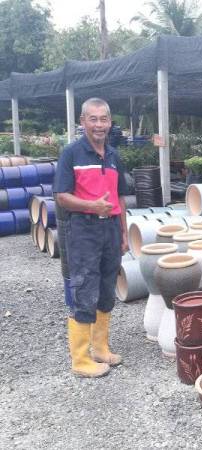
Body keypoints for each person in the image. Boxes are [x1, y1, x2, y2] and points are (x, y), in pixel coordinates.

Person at [54, 98, 128, 378]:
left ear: (110, 122)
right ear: (83, 122)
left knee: (107, 288)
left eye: (104, 119)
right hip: (84, 229)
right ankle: (80, 359)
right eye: (93, 119)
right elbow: (61, 196)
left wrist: (123, 232)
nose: (99, 125)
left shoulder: (113, 155)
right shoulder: (71, 154)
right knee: (84, 288)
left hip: (110, 229)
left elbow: (120, 197)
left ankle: (100, 348)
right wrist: (92, 206)